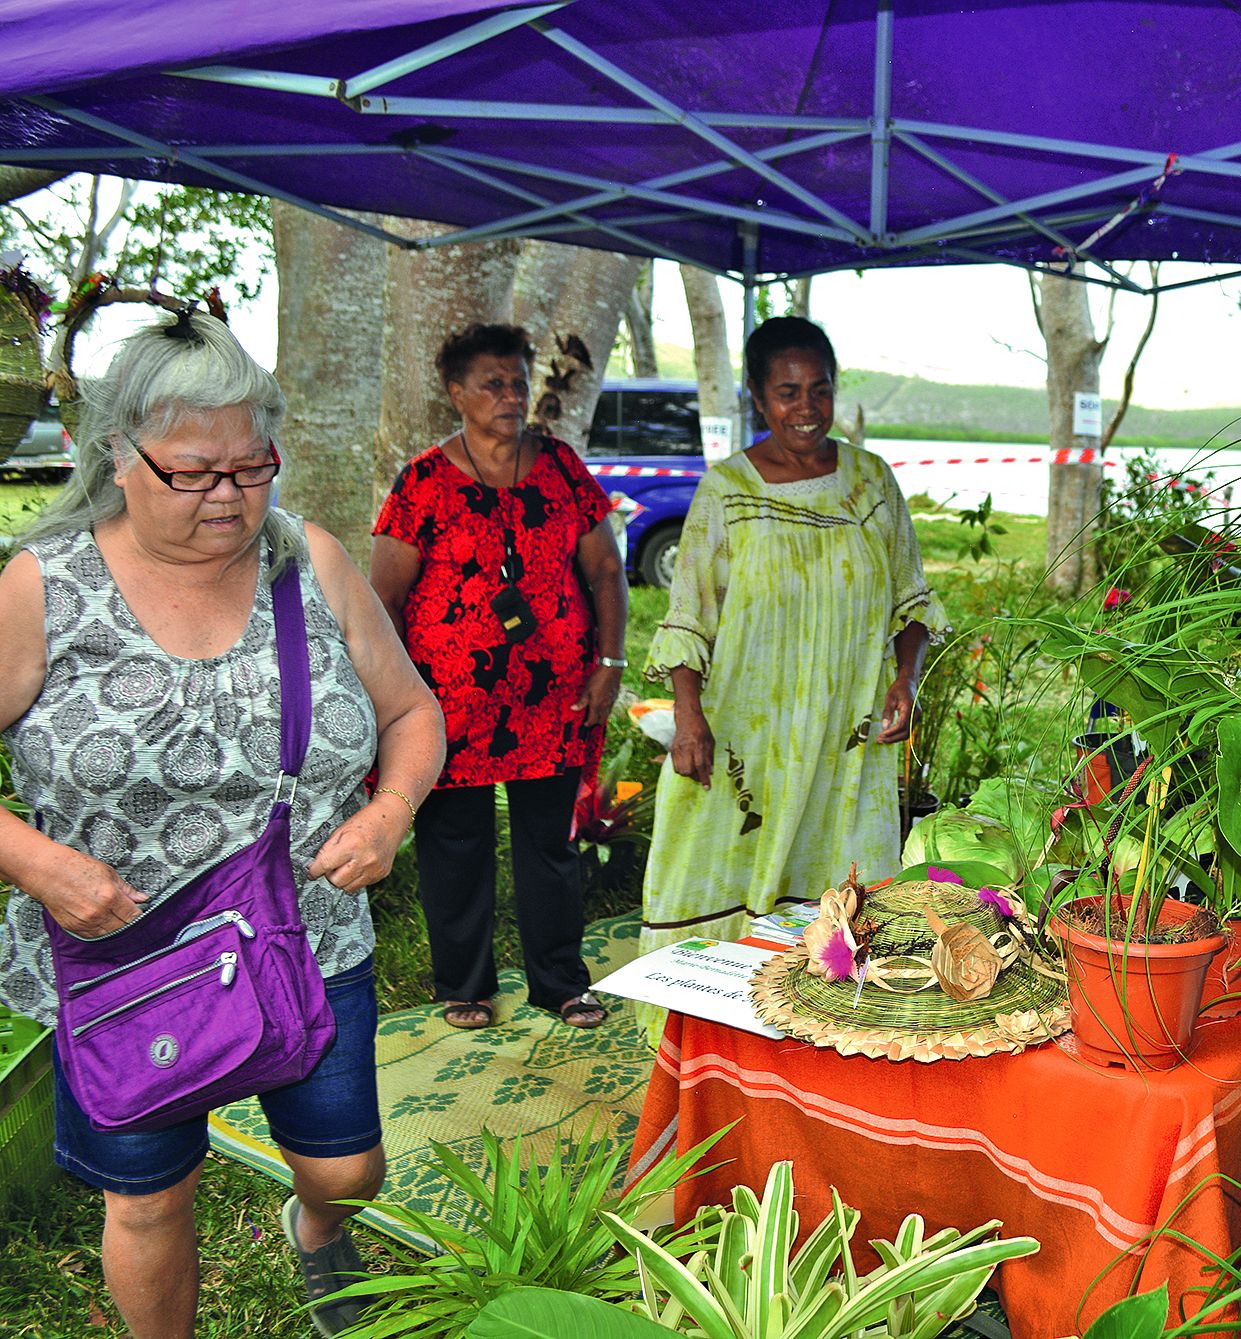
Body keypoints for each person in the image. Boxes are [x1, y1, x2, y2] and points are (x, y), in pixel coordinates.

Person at [0, 311, 446, 1339]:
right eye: (194, 473)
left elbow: (412, 712)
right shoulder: (46, 588)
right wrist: (38, 864)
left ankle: (321, 1227)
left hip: (306, 936)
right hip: (124, 952)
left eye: (252, 467)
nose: (231, 497)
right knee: (150, 1195)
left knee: (348, 1166)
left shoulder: (311, 563)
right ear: (117, 451)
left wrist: (388, 812)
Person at [638, 315, 944, 976]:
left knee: (842, 867)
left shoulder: (870, 485)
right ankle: (712, 1007)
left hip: (847, 725)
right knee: (725, 853)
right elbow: (689, 614)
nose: (806, 408)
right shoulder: (728, 491)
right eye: (787, 391)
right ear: (756, 396)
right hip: (750, 726)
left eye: (820, 389)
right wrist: (688, 717)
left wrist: (905, 679)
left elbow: (910, 599)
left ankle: (832, 997)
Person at [371, 323, 628, 1031]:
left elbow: (606, 570)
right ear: (456, 394)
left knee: (551, 846)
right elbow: (383, 596)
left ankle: (560, 982)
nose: (512, 395)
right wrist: (399, 698)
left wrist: (609, 663)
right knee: (456, 849)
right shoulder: (423, 482)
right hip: (451, 706)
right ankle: (465, 985)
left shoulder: (561, 468)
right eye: (493, 383)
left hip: (553, 700)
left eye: (518, 380)